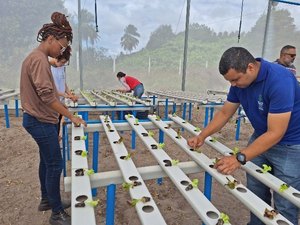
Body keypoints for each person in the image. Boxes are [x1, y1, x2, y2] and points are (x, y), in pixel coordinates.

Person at [187, 47, 300, 225]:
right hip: (261, 136)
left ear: (250, 68)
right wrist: (202, 136)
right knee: (255, 192)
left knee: (285, 201)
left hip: (290, 145)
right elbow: (225, 113)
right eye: (230, 81)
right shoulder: (239, 83)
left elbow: (276, 132)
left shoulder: (280, 80)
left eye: (235, 79)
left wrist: (239, 158)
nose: (233, 85)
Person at [20, 12, 86, 225]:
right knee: (55, 164)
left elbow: (48, 93)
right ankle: (56, 213)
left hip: (37, 119)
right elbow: (47, 97)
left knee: (46, 162)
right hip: (40, 121)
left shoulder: (37, 58)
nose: (61, 51)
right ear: (51, 39)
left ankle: (47, 200)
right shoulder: (39, 60)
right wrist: (72, 116)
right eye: (61, 46)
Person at [49, 47, 79, 137]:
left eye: (64, 63)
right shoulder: (48, 67)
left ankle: (57, 136)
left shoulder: (62, 67)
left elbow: (63, 82)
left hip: (60, 99)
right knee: (52, 122)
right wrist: (65, 95)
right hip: (52, 101)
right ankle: (54, 138)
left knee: (58, 120)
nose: (62, 65)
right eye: (62, 62)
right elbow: (49, 89)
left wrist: (70, 94)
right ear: (56, 57)